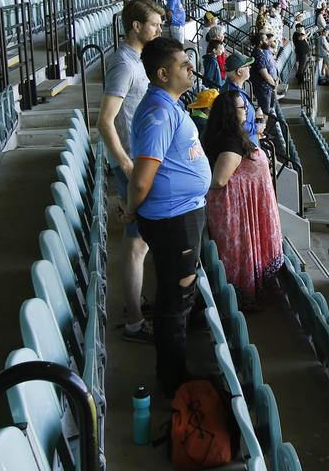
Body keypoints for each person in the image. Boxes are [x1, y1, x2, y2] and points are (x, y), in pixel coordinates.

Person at [123, 38, 211, 397]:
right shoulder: (159, 113)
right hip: (174, 220)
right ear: (162, 74)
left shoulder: (168, 105)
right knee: (176, 299)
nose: (191, 68)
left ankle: (174, 368)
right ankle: (173, 380)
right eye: (183, 64)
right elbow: (143, 177)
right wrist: (131, 207)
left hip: (182, 214)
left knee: (179, 295)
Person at [96, 0, 164, 344]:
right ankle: (135, 321)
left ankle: (136, 305)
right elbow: (105, 120)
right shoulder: (123, 64)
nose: (159, 29)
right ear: (136, 26)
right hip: (131, 164)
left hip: (138, 161)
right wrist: (124, 162)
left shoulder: (135, 60)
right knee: (137, 244)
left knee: (141, 242)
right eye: (154, 24)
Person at [203, 90, 283, 308]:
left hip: (240, 208)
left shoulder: (225, 135)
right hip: (234, 211)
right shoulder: (230, 142)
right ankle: (242, 298)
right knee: (237, 254)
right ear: (230, 112)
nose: (246, 110)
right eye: (241, 107)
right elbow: (219, 180)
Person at [251, 33, 280, 117]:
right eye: (266, 40)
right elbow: (265, 75)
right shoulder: (258, 54)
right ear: (260, 42)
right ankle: (263, 129)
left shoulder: (262, 52)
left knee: (269, 109)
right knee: (265, 112)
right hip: (263, 88)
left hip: (267, 87)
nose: (268, 42)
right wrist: (274, 84)